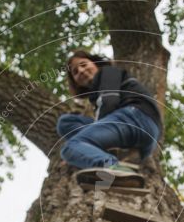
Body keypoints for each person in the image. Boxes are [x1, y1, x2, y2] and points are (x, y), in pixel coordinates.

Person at [56, 49, 163, 187]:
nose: (81, 71)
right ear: (76, 83)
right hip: (146, 135)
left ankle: (112, 167)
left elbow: (109, 102)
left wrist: (79, 150)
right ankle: (108, 152)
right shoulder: (96, 96)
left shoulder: (108, 72)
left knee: (70, 147)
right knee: (66, 122)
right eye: (75, 72)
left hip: (136, 117)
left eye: (83, 64)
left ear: (96, 63)